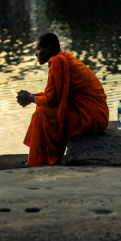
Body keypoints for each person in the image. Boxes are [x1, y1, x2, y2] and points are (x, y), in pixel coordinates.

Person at [17, 33, 109, 165]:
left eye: (38, 49)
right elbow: (55, 96)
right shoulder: (62, 58)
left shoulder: (58, 62)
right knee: (42, 107)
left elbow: (50, 101)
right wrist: (33, 97)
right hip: (97, 116)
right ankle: (40, 158)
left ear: (48, 49)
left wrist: (31, 97)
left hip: (92, 118)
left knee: (44, 112)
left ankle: (41, 160)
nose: (36, 54)